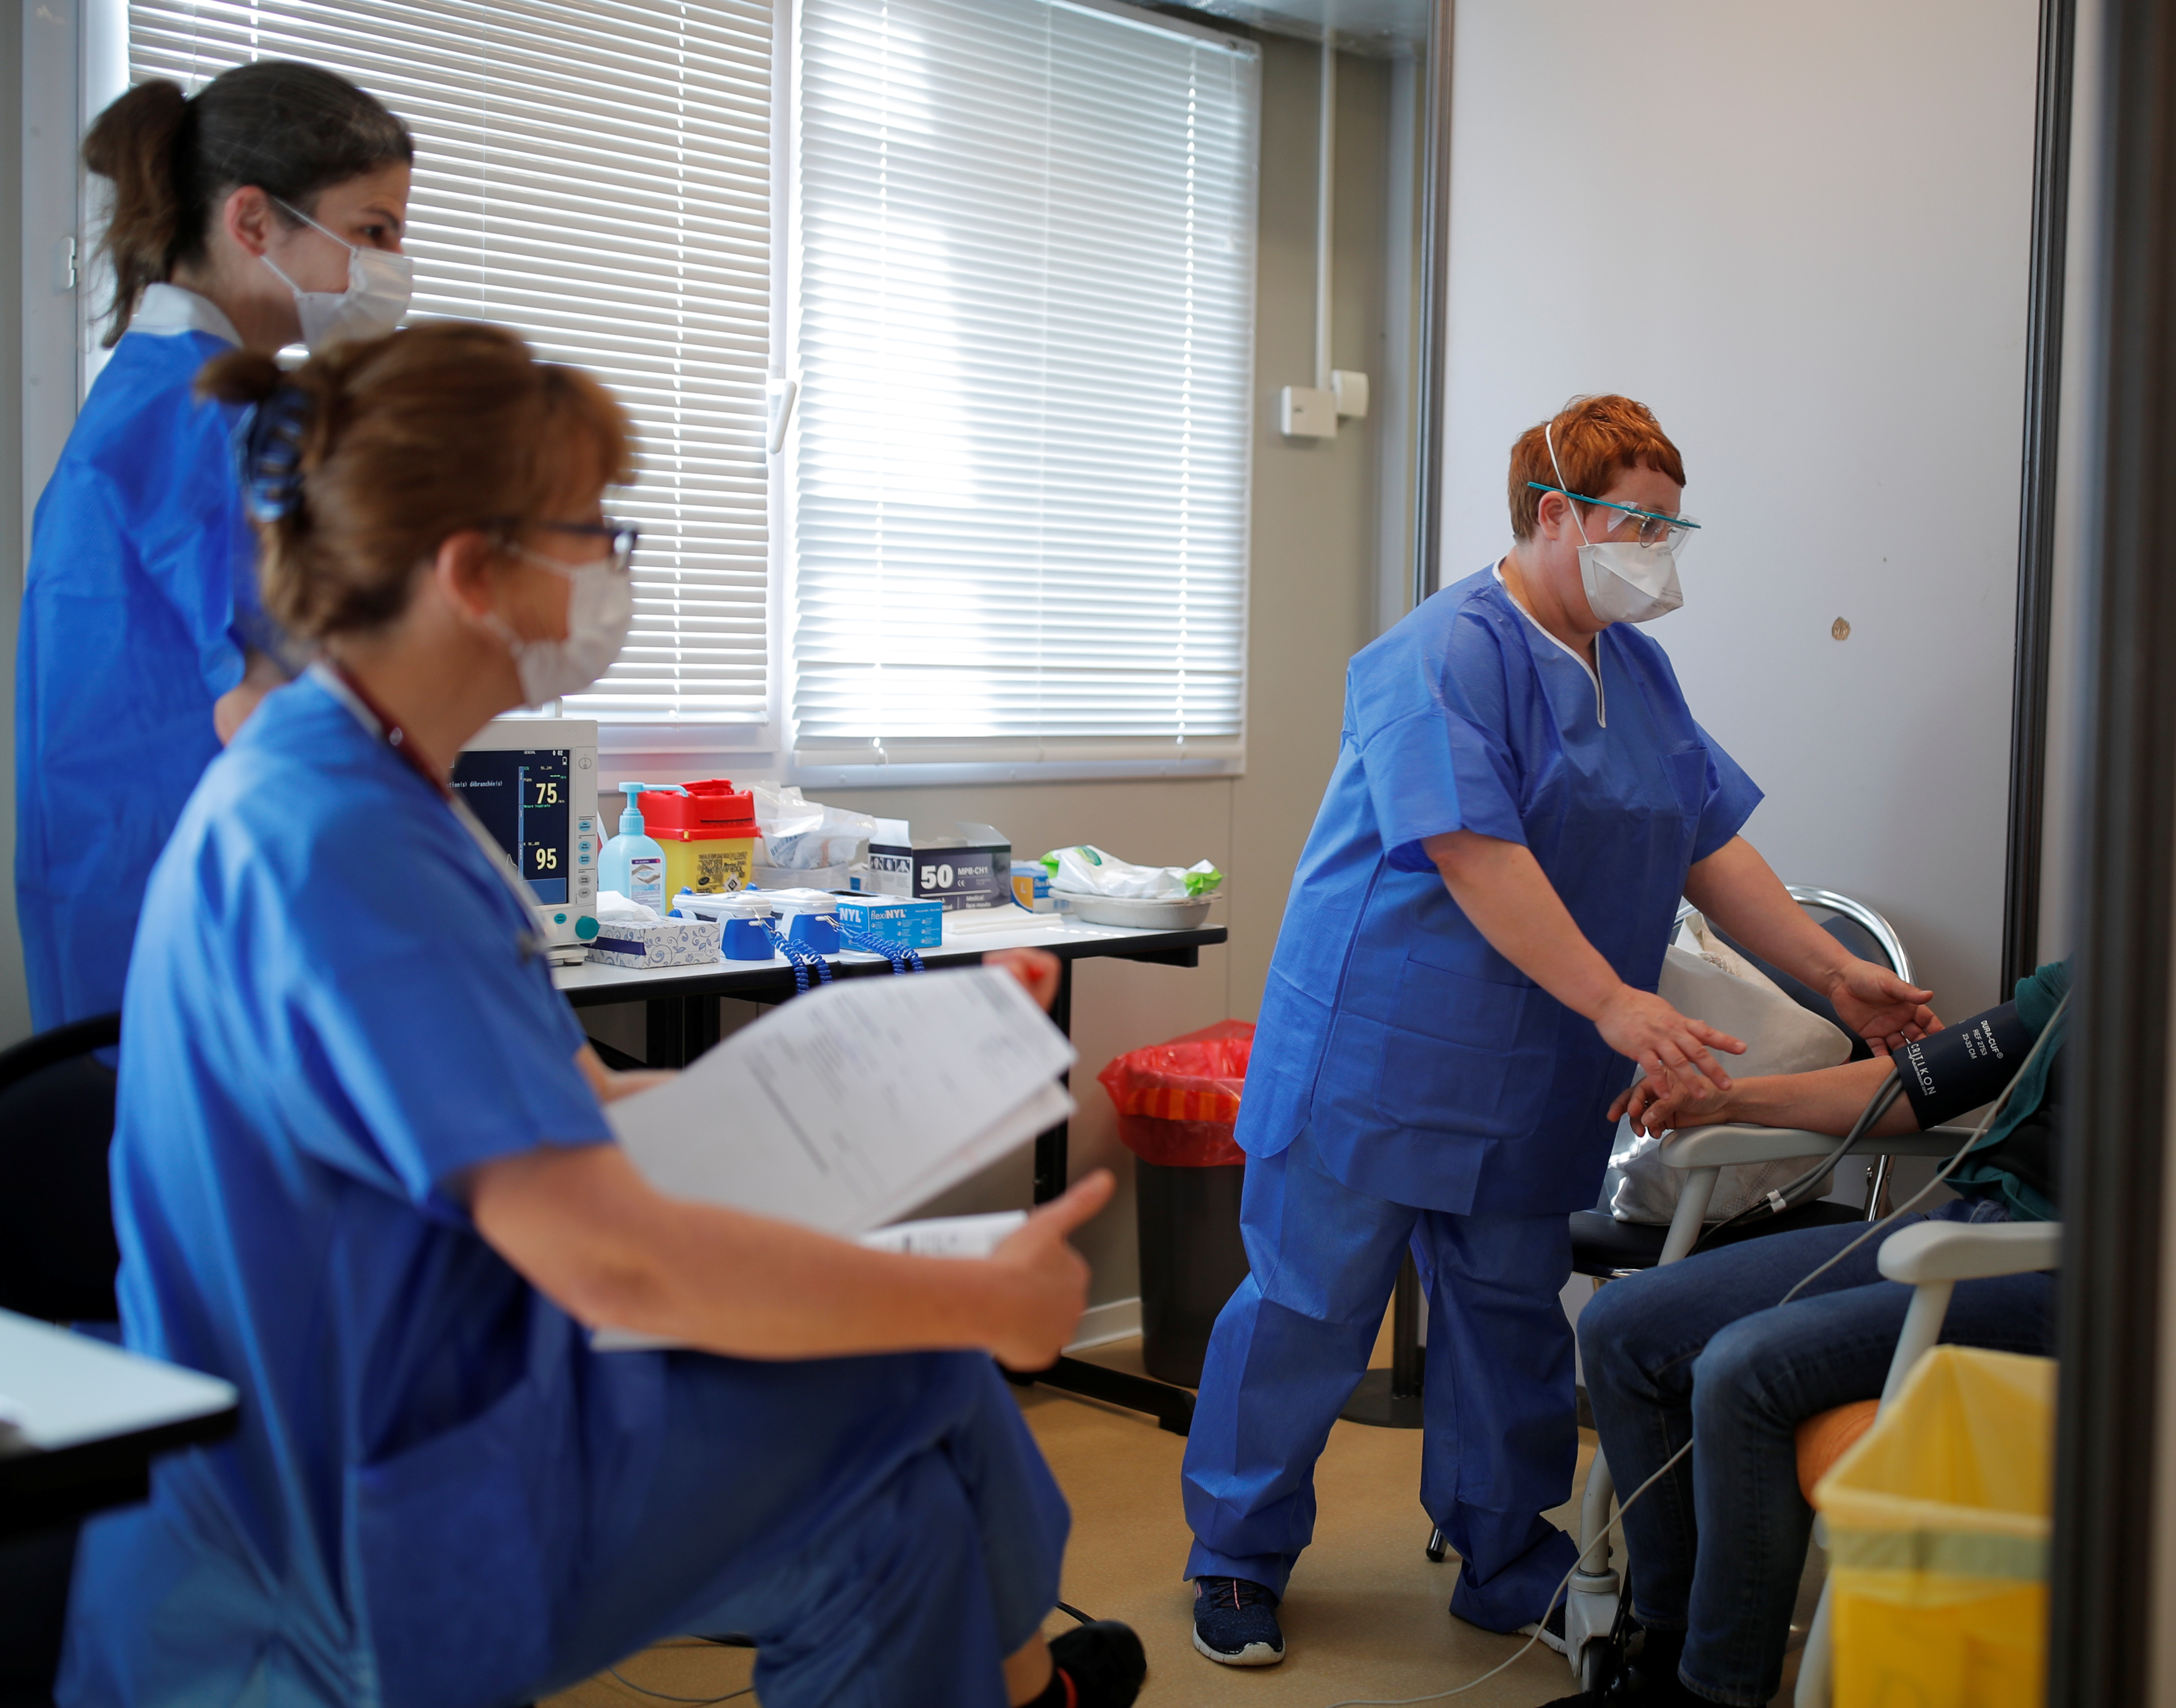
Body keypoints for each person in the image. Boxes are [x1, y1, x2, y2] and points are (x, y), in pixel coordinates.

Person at [56, 321, 1144, 1708]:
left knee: (897, 1522)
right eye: (595, 533)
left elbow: (575, 1104)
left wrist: (925, 1052)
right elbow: (613, 1262)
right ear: (472, 570)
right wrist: (984, 1296)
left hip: (428, 1413)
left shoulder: (374, 785)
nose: (615, 568)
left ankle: (1018, 1684)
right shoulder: (340, 842)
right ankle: (1026, 1683)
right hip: (329, 1541)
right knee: (913, 1375)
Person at [1179, 395, 1942, 1666]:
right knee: (1308, 1310)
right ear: (1554, 515)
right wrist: (1615, 1001)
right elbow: (1474, 855)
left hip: (1527, 1065)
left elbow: (1704, 838)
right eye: (1633, 520)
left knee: (1507, 1312)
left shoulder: (1632, 667)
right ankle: (1238, 1559)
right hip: (1382, 1042)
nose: (1655, 549)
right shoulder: (1440, 655)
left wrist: (1830, 978)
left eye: (1667, 522)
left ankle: (1498, 1550)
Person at [1544, 962, 2072, 1708]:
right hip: (1976, 1223)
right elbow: (1916, 1083)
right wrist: (1727, 1099)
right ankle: (1665, 1653)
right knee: (1626, 1326)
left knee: (1747, 1368)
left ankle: (1714, 1693)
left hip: (2069, 1274)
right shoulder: (2095, 975)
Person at [14, 62, 414, 1033]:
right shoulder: (219, 414)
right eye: (371, 232)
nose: (391, 267)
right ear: (251, 223)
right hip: (209, 916)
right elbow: (265, 697)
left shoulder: (143, 395)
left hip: (119, 906)